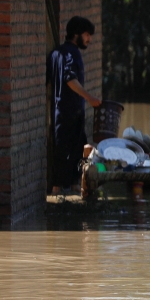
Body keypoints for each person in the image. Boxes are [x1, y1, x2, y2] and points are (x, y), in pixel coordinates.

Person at [47, 16, 101, 193]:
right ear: (76, 34)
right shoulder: (72, 54)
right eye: (87, 35)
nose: (89, 39)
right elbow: (69, 78)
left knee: (66, 152)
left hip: (59, 113)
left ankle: (69, 189)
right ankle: (65, 192)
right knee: (72, 154)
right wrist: (90, 98)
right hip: (70, 113)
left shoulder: (55, 54)